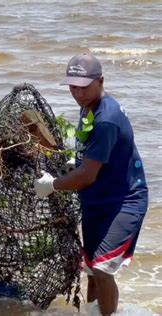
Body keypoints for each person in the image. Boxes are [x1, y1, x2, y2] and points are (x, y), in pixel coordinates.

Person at [33, 54, 148, 314]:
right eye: (73, 87)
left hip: (124, 201)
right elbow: (89, 158)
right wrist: (74, 162)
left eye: (84, 87)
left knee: (102, 268)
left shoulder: (106, 118)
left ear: (101, 81)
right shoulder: (89, 107)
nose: (78, 93)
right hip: (97, 198)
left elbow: (87, 176)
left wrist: (52, 185)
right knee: (92, 269)